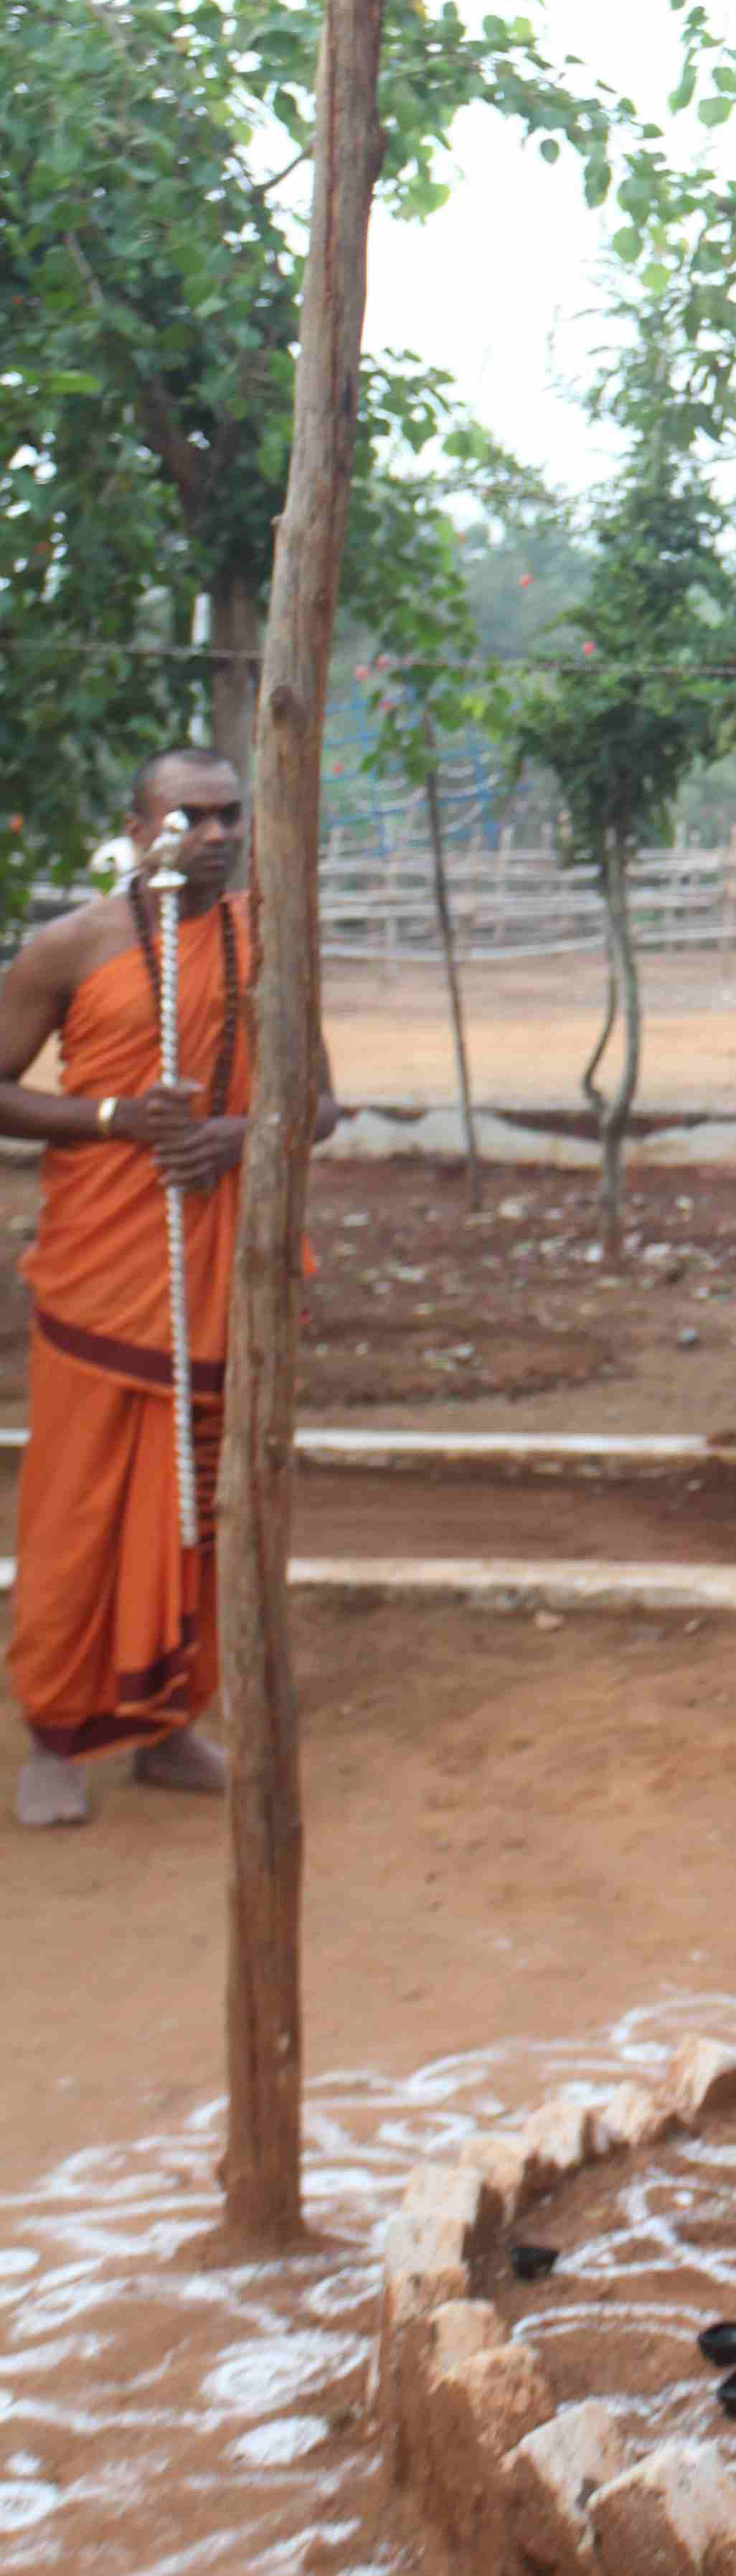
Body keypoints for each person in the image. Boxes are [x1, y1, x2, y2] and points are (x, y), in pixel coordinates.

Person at [2, 748, 334, 1830]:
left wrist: (240, 1137)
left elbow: (319, 1104)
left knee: (208, 1506)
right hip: (104, 1276)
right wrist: (117, 1120)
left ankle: (167, 1723)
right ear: (139, 825)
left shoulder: (272, 938)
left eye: (232, 814)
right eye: (192, 817)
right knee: (83, 1508)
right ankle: (56, 1734)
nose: (219, 834)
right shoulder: (71, 947)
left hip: (228, 1271)